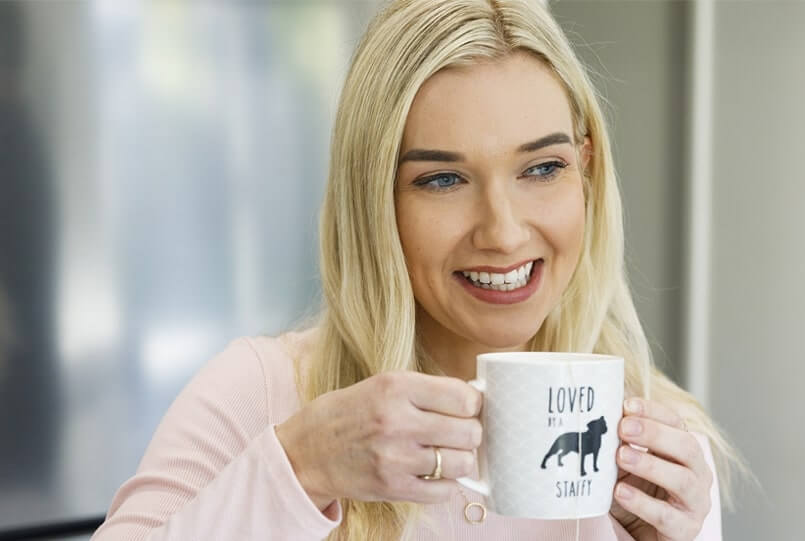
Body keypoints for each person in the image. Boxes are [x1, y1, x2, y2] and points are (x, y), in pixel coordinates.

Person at [95, 0, 745, 539]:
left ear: (587, 170)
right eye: (442, 178)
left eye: (542, 168)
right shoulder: (263, 396)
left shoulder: (659, 449)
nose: (504, 231)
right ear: (374, 200)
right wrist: (300, 467)